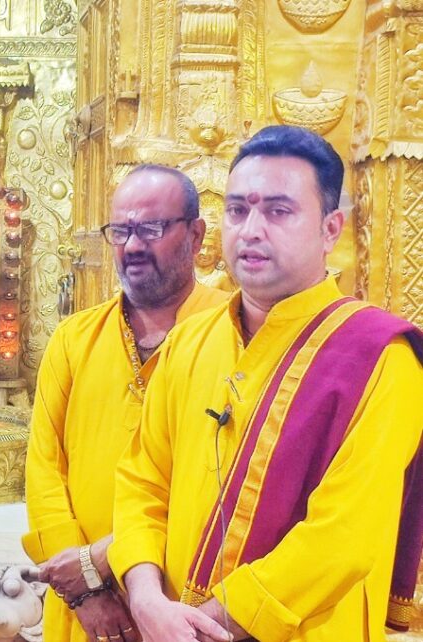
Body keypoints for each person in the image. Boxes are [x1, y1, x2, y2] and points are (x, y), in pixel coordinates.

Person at [110, 125, 423, 642]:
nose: (251, 230)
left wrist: (204, 627)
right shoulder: (190, 341)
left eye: (278, 211)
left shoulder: (380, 358)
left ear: (330, 229)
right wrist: (146, 598)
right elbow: (142, 482)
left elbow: (344, 537)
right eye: (237, 210)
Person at [24, 165, 228, 642]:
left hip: (189, 598)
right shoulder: (74, 339)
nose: (132, 245)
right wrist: (85, 589)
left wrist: (104, 558)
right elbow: (44, 468)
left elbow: (236, 480)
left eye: (151, 228)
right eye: (120, 231)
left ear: (196, 235)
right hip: (87, 611)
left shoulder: (234, 332)